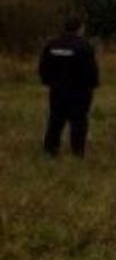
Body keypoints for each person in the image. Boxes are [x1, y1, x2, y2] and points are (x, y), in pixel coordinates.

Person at [38, 17, 99, 158]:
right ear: (80, 29)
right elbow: (91, 69)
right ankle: (77, 150)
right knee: (78, 121)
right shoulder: (84, 46)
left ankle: (50, 148)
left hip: (57, 90)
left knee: (55, 120)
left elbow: (43, 67)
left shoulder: (52, 45)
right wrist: (92, 85)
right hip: (79, 91)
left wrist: (48, 82)